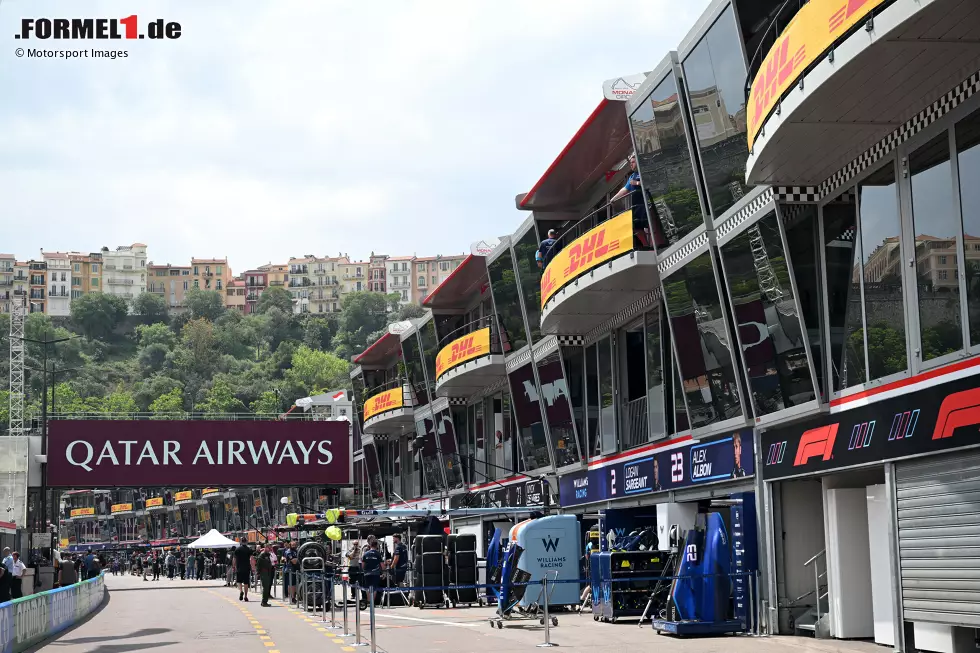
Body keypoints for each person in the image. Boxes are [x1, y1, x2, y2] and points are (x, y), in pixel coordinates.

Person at [360, 540, 381, 608]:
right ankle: (372, 602)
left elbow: (362, 565)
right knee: (374, 588)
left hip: (367, 573)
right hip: (376, 573)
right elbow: (382, 565)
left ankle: (369, 602)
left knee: (367, 588)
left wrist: (365, 571)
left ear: (370, 546)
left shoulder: (365, 554)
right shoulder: (378, 554)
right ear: (376, 546)